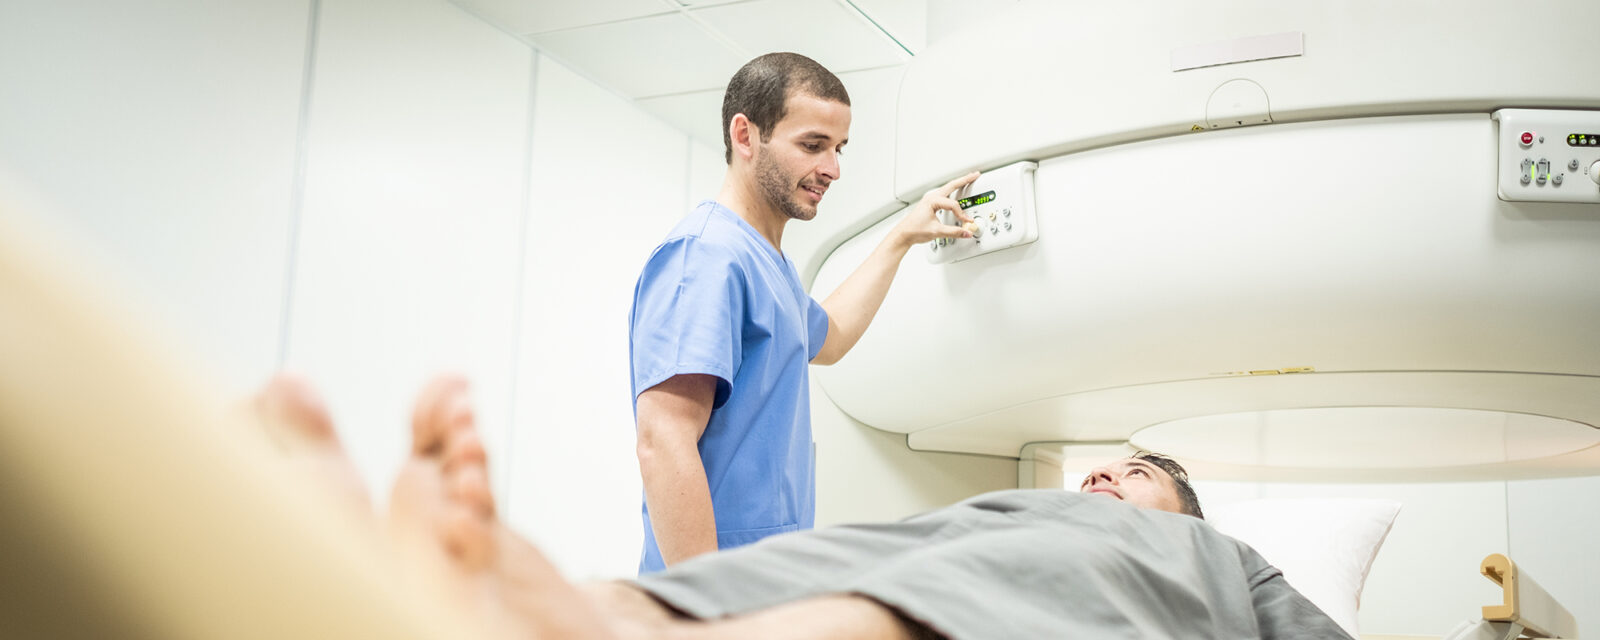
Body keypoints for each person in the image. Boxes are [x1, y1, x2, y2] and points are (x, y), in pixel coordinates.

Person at [255, 375, 1353, 640]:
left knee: (1056, 561)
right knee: (840, 551)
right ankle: (586, 612)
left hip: (1116, 582)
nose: (1106, 477)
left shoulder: (1214, 555)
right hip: (976, 536)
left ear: (1189, 507)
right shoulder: (1011, 507)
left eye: (1138, 473)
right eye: (1100, 469)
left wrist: (1138, 524)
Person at [629, 51, 982, 573]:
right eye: (812, 145)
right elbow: (663, 440)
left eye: (838, 149)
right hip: (712, 597)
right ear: (745, 136)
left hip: (764, 578)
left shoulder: (767, 263)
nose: (832, 169)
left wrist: (903, 235)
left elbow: (830, 336)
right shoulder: (705, 255)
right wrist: (710, 608)